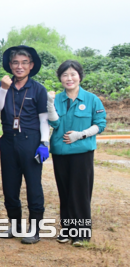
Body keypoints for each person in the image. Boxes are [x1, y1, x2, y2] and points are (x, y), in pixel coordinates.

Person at [0, 45, 50, 244]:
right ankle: (15, 225)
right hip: (8, 140)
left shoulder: (38, 89)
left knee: (33, 186)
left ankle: (35, 229)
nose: (19, 66)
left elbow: (44, 120)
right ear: (10, 65)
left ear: (31, 65)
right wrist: (3, 89)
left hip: (31, 140)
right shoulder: (2, 85)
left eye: (24, 63)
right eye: (15, 62)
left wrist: (44, 143)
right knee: (10, 185)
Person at [48, 60, 106, 247]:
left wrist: (81, 135)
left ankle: (81, 234)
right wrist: (49, 104)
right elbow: (55, 123)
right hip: (60, 152)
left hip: (82, 152)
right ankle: (67, 229)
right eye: (65, 75)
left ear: (79, 76)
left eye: (73, 74)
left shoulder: (91, 99)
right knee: (64, 191)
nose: (69, 78)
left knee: (80, 192)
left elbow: (100, 124)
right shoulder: (57, 99)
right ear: (60, 78)